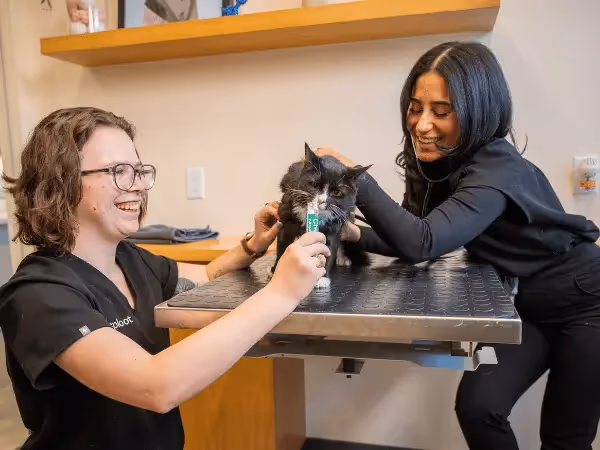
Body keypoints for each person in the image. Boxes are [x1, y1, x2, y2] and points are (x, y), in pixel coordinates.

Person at [318, 41, 600, 450]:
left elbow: (422, 242)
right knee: (478, 408)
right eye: (416, 108)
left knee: (565, 439)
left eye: (442, 111)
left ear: (478, 109)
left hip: (586, 302)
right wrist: (355, 234)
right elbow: (415, 230)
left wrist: (354, 178)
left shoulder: (495, 168)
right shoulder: (440, 162)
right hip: (527, 307)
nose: (422, 124)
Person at [0, 107, 330, 450]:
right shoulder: (39, 295)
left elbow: (204, 275)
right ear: (62, 182)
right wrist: (281, 293)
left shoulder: (130, 258)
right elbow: (154, 386)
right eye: (119, 171)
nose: (140, 186)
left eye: (140, 171)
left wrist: (252, 245)